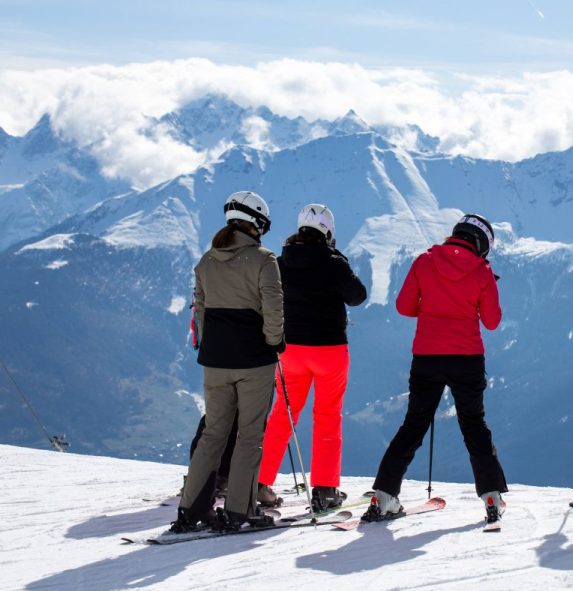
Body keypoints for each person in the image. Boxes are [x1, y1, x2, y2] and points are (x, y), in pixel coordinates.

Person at [363, 214, 508, 525]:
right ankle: (492, 496)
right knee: (474, 425)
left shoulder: (424, 262)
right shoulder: (482, 271)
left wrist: (429, 309)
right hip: (467, 358)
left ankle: (384, 495)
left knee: (414, 423)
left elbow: (404, 307)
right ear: (481, 244)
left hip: (427, 356)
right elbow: (492, 322)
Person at [170, 190, 284, 532]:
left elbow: (200, 312)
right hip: (254, 361)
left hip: (215, 362)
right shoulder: (264, 260)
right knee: (249, 436)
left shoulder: (206, 261)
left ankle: (190, 510)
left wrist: (212, 346)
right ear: (257, 223)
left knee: (213, 434)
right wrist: (275, 342)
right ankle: (239, 511)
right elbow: (274, 311)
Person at [257, 204, 367, 512]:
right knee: (327, 418)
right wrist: (342, 264)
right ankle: (325, 490)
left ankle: (259, 482)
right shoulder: (334, 263)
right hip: (329, 350)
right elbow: (357, 296)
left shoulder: (279, 262)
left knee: (283, 414)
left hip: (289, 350)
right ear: (328, 234)